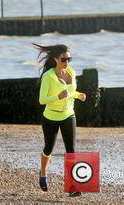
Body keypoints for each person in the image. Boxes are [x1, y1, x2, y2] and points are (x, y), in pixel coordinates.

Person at [33, 43, 86, 197]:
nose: (67, 62)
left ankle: (73, 186)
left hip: (69, 114)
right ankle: (43, 173)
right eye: (64, 59)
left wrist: (78, 95)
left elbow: (71, 92)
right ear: (55, 59)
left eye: (69, 58)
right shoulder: (48, 76)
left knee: (71, 150)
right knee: (49, 148)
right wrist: (58, 96)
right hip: (51, 116)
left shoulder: (71, 72)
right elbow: (42, 100)